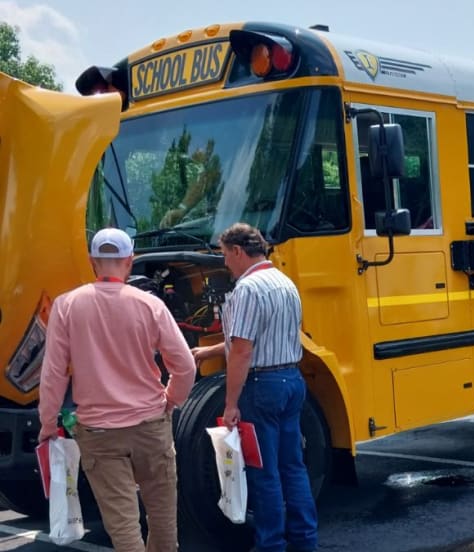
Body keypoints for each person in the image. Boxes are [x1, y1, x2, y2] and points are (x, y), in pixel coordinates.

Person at [38, 228, 196, 551]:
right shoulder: (150, 306)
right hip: (151, 425)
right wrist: (171, 399)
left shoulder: (66, 306)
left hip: (99, 433)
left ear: (92, 261)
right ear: (130, 261)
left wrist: (47, 423)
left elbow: (53, 373)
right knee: (164, 522)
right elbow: (185, 366)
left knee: (124, 530)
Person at [192, 223, 318, 552]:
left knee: (265, 473)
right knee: (293, 467)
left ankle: (271, 545)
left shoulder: (247, 289)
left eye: (225, 255)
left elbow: (244, 350)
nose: (225, 264)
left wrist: (231, 403)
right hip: (291, 379)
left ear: (238, 250)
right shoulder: (285, 282)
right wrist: (211, 350)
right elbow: (253, 338)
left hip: (261, 386)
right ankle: (305, 541)